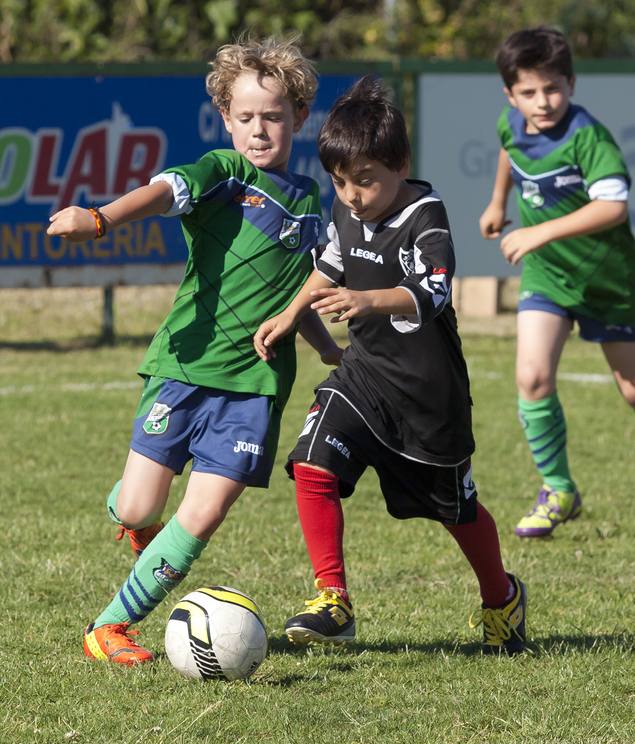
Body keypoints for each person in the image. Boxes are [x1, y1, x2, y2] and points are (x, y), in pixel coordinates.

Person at [47, 35, 341, 665]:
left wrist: (329, 350)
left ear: (297, 118)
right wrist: (99, 219)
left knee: (201, 516)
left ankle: (109, 628)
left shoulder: (311, 202)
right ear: (225, 120)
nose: (259, 130)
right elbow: (161, 190)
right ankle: (133, 517)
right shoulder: (224, 173)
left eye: (273, 117)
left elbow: (295, 292)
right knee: (137, 506)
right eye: (245, 118)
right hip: (184, 365)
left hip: (258, 385)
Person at [254, 76, 527, 654]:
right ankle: (333, 597)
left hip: (429, 394)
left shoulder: (426, 214)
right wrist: (290, 313)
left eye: (365, 181)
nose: (351, 195)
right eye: (339, 182)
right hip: (365, 375)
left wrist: (367, 300)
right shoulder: (347, 205)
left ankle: (501, 596)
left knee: (457, 510)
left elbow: (433, 290)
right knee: (312, 462)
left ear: (400, 164)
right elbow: (330, 261)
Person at [480, 26, 635, 538]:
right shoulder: (512, 122)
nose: (541, 101)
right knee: (532, 378)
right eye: (528, 92)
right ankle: (559, 489)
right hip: (549, 276)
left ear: (570, 83)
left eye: (552, 88)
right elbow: (509, 151)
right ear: (510, 94)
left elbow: (614, 206)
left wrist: (539, 229)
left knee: (632, 392)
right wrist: (499, 202)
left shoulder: (587, 136)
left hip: (608, 280)